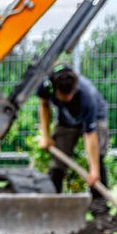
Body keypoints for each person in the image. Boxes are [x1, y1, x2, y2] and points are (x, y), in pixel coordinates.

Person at [39, 66, 110, 203]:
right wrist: (46, 136)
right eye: (64, 95)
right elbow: (44, 105)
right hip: (66, 120)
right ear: (55, 89)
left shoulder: (86, 95)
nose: (68, 97)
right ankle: (52, 204)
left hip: (96, 117)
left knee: (97, 160)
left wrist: (94, 172)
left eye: (71, 93)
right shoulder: (46, 86)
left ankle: (100, 208)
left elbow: (90, 135)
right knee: (57, 163)